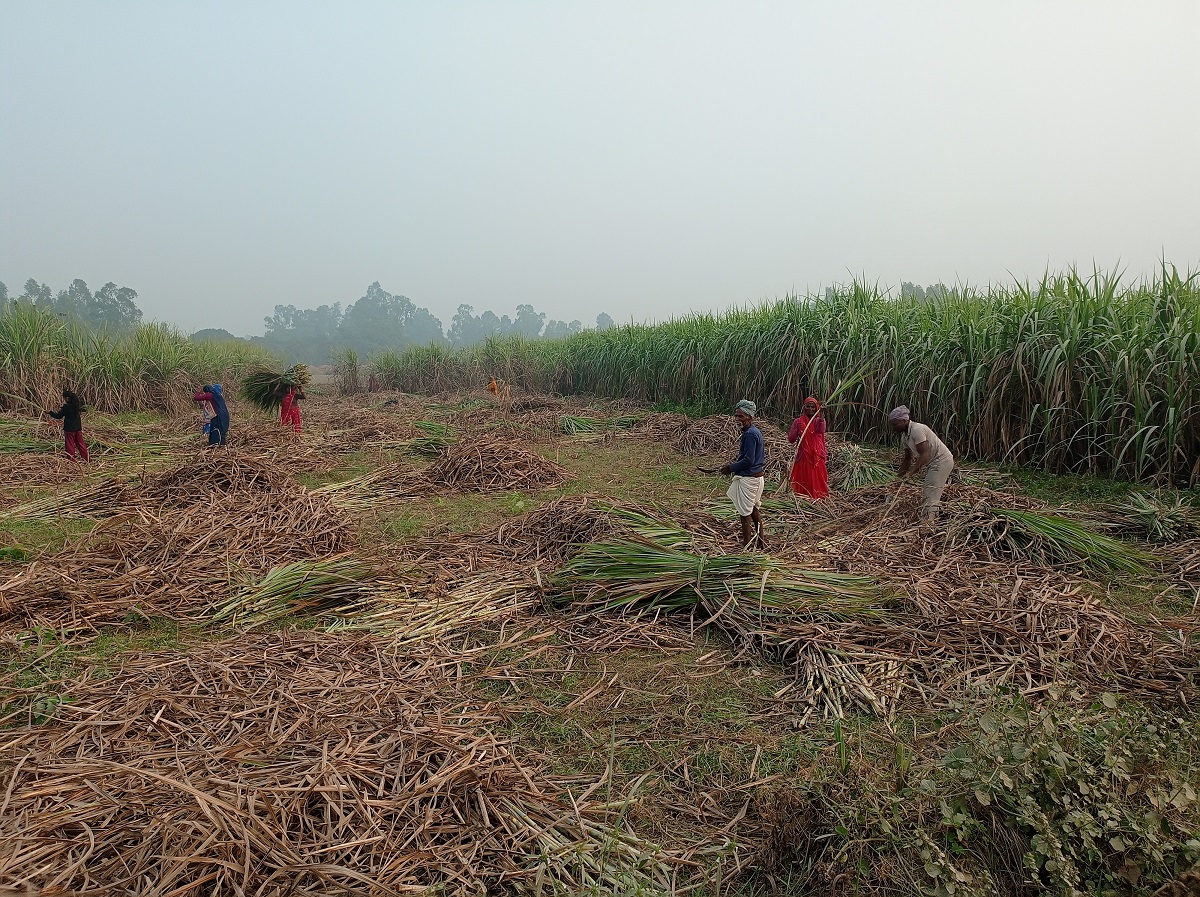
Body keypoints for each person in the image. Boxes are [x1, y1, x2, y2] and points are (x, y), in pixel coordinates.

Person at [890, 405, 954, 523]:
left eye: (895, 424)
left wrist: (910, 474)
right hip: (933, 463)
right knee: (930, 491)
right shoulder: (905, 436)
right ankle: (932, 518)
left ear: (904, 420)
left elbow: (925, 455)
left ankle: (927, 524)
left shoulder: (917, 429)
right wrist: (898, 478)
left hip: (941, 461)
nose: (893, 428)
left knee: (930, 493)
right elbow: (907, 458)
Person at [720, 399, 768, 550]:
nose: (737, 419)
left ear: (750, 417)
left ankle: (746, 546)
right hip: (756, 477)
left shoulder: (750, 435)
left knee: (745, 514)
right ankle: (761, 542)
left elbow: (749, 460)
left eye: (741, 416)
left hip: (750, 479)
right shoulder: (753, 432)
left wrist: (731, 467)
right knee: (753, 510)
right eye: (736, 416)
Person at [788, 396, 829, 500]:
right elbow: (791, 439)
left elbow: (821, 430)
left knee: (817, 478)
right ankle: (803, 497)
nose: (810, 409)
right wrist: (797, 429)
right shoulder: (798, 421)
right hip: (803, 456)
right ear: (804, 407)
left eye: (813, 407)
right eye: (808, 406)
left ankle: (818, 497)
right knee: (803, 477)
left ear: (816, 408)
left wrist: (822, 417)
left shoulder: (818, 421)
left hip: (816, 456)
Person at [45, 388, 89, 462]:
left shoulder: (67, 406)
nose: (64, 400)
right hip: (78, 428)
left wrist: (50, 412)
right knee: (81, 444)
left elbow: (58, 416)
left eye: (64, 398)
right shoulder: (77, 405)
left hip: (69, 429)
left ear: (67, 398)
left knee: (70, 445)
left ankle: (71, 460)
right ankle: (87, 459)